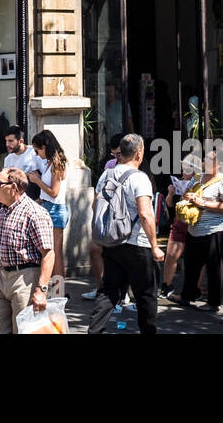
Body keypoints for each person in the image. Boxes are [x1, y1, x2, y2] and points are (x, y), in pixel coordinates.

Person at [88, 134, 164, 334]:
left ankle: (94, 331)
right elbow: (145, 214)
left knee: (108, 290)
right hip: (138, 244)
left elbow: (95, 204)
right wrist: (155, 246)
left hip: (113, 243)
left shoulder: (107, 175)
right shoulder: (140, 178)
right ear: (139, 153)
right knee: (146, 294)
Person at [0, 166, 55, 333]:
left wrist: (41, 290)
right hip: (3, 277)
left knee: (23, 329)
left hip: (26, 278)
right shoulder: (3, 210)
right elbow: (1, 248)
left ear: (13, 188)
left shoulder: (35, 213)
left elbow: (48, 254)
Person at [177, 149, 223, 313]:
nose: (207, 163)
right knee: (191, 263)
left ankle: (214, 302)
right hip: (195, 228)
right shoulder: (197, 178)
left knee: (216, 266)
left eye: (212, 161)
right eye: (206, 160)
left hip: (218, 229)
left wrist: (202, 203)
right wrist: (187, 198)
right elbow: (185, 194)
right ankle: (187, 296)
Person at [84, 134, 123, 301]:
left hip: (123, 220)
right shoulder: (109, 166)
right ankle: (101, 289)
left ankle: (123, 292)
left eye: (119, 154)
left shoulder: (137, 168)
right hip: (105, 218)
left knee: (121, 255)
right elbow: (98, 194)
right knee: (94, 250)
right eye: (113, 154)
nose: (116, 158)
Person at [29, 129, 69, 281]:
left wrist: (37, 181)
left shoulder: (57, 164)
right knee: (48, 251)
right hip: (47, 207)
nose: (37, 153)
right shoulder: (49, 163)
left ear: (44, 147)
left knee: (55, 253)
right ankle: (54, 290)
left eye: (37, 150)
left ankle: (59, 293)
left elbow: (54, 192)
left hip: (56, 210)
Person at [162, 153, 201, 300]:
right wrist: (171, 194)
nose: (185, 172)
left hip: (194, 224)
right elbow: (170, 204)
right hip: (179, 223)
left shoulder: (200, 184)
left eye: (189, 169)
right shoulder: (179, 182)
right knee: (171, 255)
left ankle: (194, 288)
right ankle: (166, 285)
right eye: (184, 169)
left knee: (194, 260)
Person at [0, 124, 42, 201]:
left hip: (34, 201)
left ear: (21, 141)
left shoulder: (34, 152)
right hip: (15, 201)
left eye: (10, 141)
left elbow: (43, 177)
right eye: (6, 141)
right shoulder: (8, 159)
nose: (7, 144)